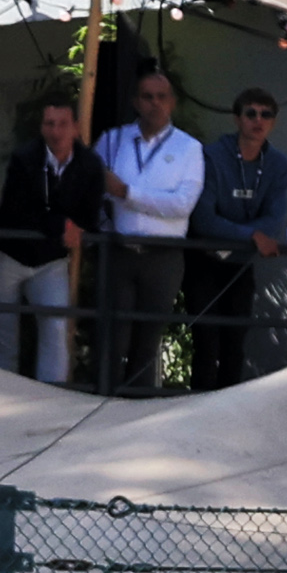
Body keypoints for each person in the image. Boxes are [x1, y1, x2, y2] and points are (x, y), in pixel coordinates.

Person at [87, 61, 206, 397]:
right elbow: (91, 188)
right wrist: (104, 225)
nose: (155, 103)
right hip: (119, 251)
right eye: (148, 96)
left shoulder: (188, 148)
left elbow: (182, 204)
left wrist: (128, 194)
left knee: (148, 342)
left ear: (173, 102)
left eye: (162, 97)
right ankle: (101, 406)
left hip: (163, 256)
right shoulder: (113, 140)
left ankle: (137, 412)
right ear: (136, 102)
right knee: (112, 336)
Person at [0, 92, 93, 384]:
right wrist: (64, 223)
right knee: (3, 334)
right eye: (50, 124)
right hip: (8, 256)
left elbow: (91, 208)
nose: (56, 131)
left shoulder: (88, 165)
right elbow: (20, 210)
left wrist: (79, 226)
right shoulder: (25, 158)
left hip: (50, 261)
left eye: (63, 124)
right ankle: (4, 399)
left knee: (55, 328)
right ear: (42, 128)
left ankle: (49, 402)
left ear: (75, 127)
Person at [189, 90, 287, 383]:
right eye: (251, 113)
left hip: (241, 264)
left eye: (266, 114)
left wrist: (252, 237)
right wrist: (252, 235)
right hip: (206, 260)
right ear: (237, 119)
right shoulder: (211, 155)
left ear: (273, 122)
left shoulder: (278, 164)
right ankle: (196, 418)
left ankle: (227, 421)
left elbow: (274, 220)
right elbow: (204, 219)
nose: (258, 120)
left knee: (235, 345)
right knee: (205, 344)